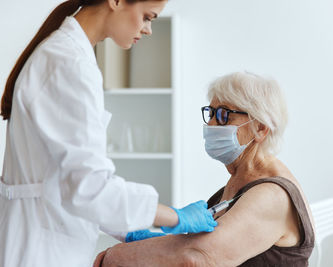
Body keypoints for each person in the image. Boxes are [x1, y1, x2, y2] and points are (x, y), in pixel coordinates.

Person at [0, 1, 217, 266]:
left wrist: (127, 228)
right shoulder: (69, 63)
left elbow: (68, 181)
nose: (148, 29)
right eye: (147, 17)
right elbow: (88, 188)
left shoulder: (69, 55)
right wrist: (174, 216)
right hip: (40, 251)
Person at [94, 72, 315, 267]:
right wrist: (147, 240)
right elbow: (197, 245)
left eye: (223, 115)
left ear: (260, 128)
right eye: (211, 113)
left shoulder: (272, 196)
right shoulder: (242, 178)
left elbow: (197, 258)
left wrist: (116, 258)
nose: (210, 126)